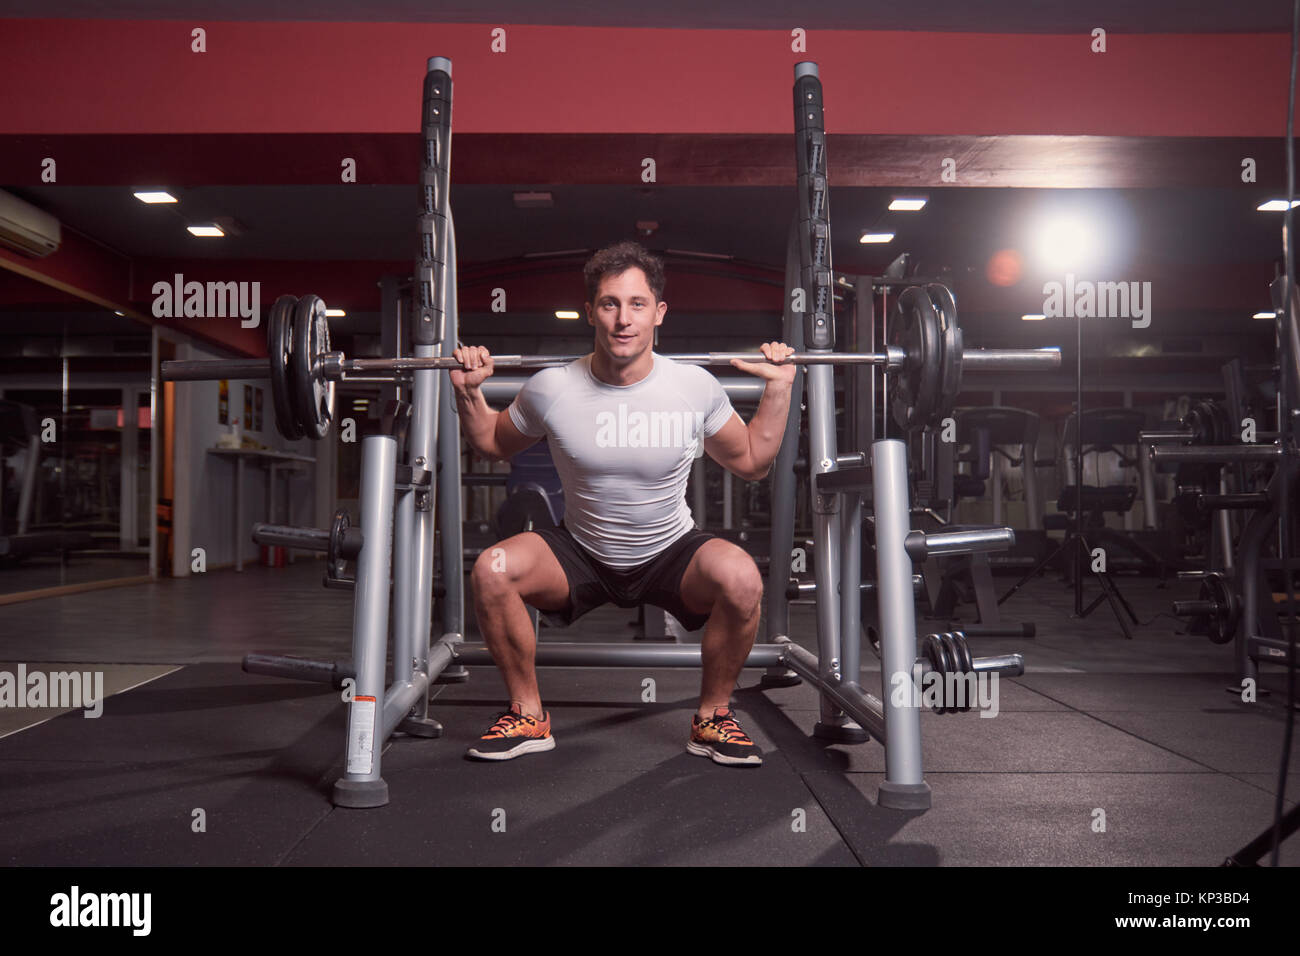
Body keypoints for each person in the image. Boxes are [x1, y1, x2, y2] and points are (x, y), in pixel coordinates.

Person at [450, 241, 795, 767]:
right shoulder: (551, 388)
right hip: (579, 549)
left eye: (637, 304)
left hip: (670, 549)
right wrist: (471, 394)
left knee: (743, 577)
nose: (622, 320)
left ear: (658, 312)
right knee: (493, 569)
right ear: (590, 311)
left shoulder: (693, 387)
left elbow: (751, 461)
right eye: (609, 304)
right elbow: (494, 444)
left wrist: (778, 389)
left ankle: (713, 717)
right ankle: (528, 713)